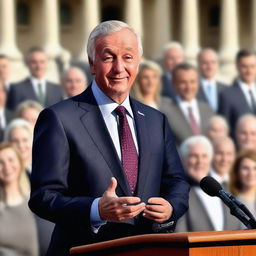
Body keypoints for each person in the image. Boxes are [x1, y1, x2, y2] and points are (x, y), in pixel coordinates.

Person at [28, 20, 189, 255]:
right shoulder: (59, 118)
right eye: (108, 57)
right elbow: (44, 197)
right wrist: (96, 210)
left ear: (138, 62)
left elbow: (176, 180)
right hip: (85, 249)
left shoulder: (156, 120)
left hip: (148, 249)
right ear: (92, 63)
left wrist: (171, 207)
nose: (119, 68)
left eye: (127, 57)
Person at [175, 136, 241, 232]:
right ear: (183, 160)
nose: (200, 161)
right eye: (194, 156)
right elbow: (179, 235)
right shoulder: (177, 194)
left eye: (204, 156)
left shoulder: (225, 190)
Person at [160, 63, 214, 145]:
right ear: (174, 83)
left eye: (192, 82)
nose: (188, 87)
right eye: (183, 82)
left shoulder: (207, 109)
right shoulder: (164, 111)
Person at [0, 142, 39, 255]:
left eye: (11, 160)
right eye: (1, 162)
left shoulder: (35, 200)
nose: (7, 166)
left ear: (20, 162)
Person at [218, 49, 256, 136]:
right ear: (237, 67)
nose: (249, 71)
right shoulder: (226, 95)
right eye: (244, 66)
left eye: (252, 66)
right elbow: (224, 129)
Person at [230, 150, 256, 218]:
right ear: (237, 172)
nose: (251, 173)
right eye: (245, 168)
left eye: (255, 168)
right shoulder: (230, 204)